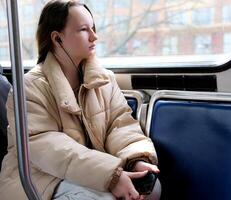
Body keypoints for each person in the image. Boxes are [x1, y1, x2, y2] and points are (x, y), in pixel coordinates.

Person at [0, 1, 160, 200]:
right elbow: (47, 148)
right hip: (42, 179)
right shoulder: (28, 87)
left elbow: (120, 126)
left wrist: (135, 160)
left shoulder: (104, 80)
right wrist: (112, 176)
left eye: (93, 28)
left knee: (152, 189)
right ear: (57, 39)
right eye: (84, 30)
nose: (94, 36)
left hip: (90, 172)